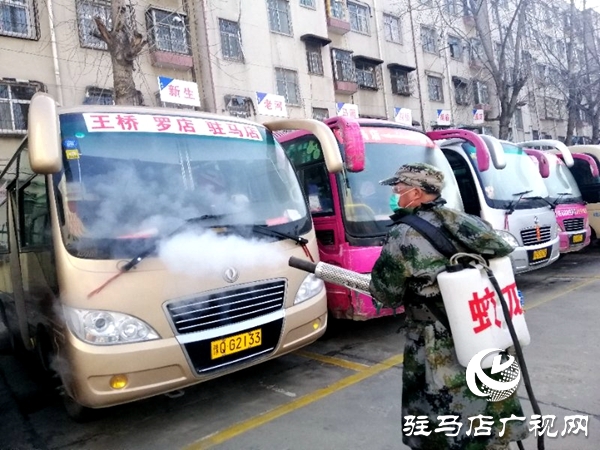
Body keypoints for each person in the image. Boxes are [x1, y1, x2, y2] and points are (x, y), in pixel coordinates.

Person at [369, 162, 529, 450]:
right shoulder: (466, 222)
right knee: (488, 394)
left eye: (399, 188)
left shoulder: (403, 235)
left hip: (436, 340)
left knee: (443, 415)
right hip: (483, 328)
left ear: (416, 193)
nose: (394, 193)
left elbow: (386, 293)